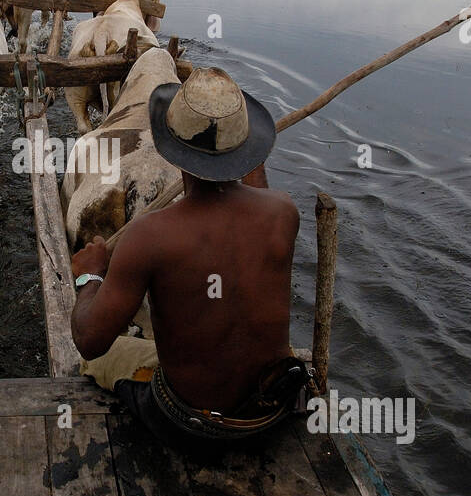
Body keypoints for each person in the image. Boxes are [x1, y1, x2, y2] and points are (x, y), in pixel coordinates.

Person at [69, 67, 306, 451]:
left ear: (171, 148)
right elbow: (248, 222)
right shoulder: (284, 213)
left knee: (99, 360)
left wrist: (90, 276)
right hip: (271, 412)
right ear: (246, 152)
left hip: (191, 427)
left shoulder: (149, 236)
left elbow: (89, 340)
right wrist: (249, 160)